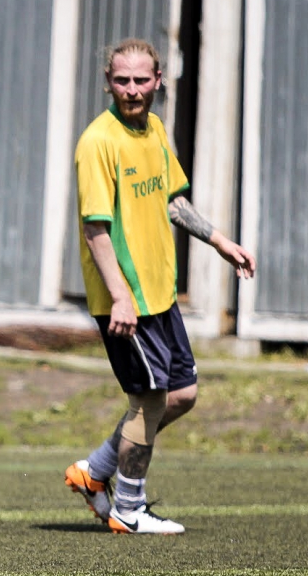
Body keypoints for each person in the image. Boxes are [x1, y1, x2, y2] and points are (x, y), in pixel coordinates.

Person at [65, 39, 256, 534]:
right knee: (148, 401)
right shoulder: (97, 142)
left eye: (141, 80)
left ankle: (96, 471)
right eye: (122, 80)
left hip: (159, 293)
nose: (132, 90)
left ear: (159, 81)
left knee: (183, 393)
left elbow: (173, 202)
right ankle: (129, 509)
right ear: (108, 81)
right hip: (125, 300)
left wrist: (219, 241)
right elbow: (95, 229)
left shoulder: (154, 130)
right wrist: (121, 297)